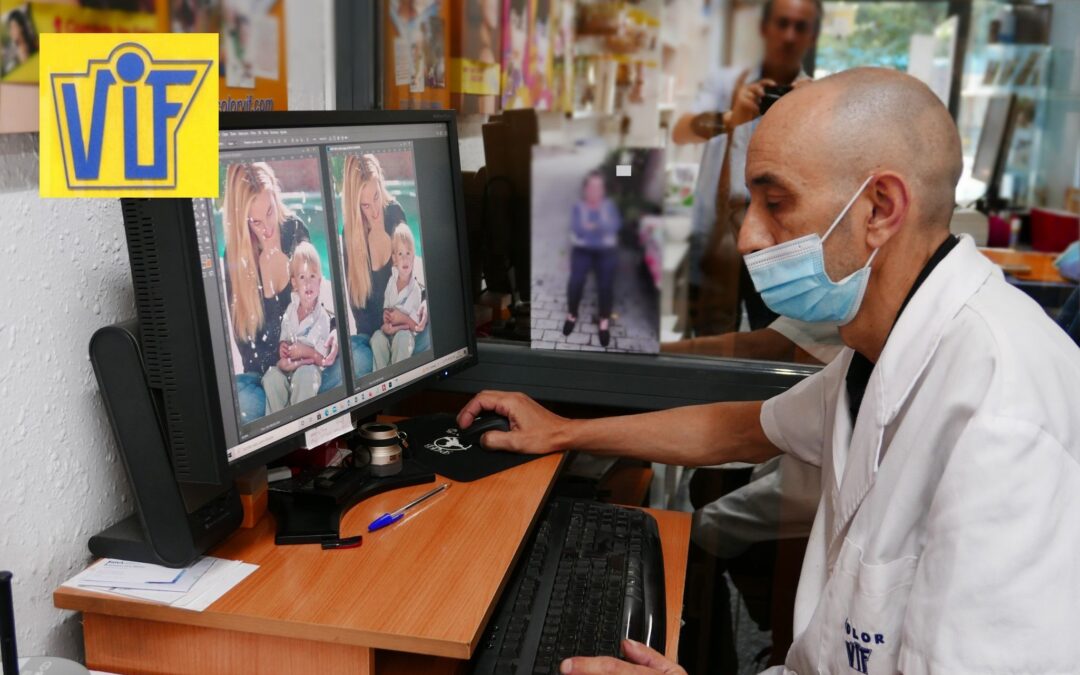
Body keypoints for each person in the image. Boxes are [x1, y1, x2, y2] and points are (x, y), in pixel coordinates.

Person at [458, 69, 1080, 674]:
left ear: (880, 208)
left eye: (776, 202)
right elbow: (741, 429)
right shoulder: (879, 353)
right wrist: (563, 432)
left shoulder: (1004, 415)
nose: (749, 237)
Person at [673, 0, 820, 337]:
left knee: (771, 339)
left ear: (812, 37)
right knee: (710, 341)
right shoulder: (725, 83)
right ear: (764, 28)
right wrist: (729, 118)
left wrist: (811, 115)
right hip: (715, 238)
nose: (789, 36)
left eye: (800, 27)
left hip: (777, 245)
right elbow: (680, 132)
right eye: (782, 23)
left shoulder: (816, 97)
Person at [222, 162, 339, 424]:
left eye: (270, 212)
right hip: (266, 377)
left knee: (350, 363)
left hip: (309, 363)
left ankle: (288, 420)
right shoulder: (235, 259)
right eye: (256, 222)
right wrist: (281, 359)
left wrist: (330, 337)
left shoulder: (294, 232)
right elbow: (248, 352)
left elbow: (320, 307)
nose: (267, 229)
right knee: (240, 399)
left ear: (276, 197)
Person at [340, 153, 428, 378]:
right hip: (372, 335)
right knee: (355, 358)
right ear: (356, 206)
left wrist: (411, 315)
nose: (375, 211)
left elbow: (412, 280)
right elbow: (360, 315)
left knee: (430, 332)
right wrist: (387, 326)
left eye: (376, 197)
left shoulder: (394, 213)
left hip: (404, 324)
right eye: (365, 205)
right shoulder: (350, 235)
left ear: (380, 184)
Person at [262, 242, 333, 413]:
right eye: (302, 277)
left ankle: (300, 419)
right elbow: (284, 338)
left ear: (320, 281)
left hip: (308, 369)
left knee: (305, 376)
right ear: (294, 283)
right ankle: (279, 421)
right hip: (288, 367)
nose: (308, 283)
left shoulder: (322, 317)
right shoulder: (291, 309)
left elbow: (322, 357)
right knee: (271, 377)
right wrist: (283, 347)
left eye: (312, 276)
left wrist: (304, 351)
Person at [563, 171, 622, 348]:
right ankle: (572, 314)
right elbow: (576, 229)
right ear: (585, 189)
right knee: (575, 282)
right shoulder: (578, 207)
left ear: (603, 190)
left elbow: (615, 226)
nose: (595, 190)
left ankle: (604, 320)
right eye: (591, 186)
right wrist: (600, 227)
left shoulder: (609, 206)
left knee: (605, 285)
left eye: (598, 187)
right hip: (582, 250)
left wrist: (593, 226)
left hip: (605, 251)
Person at [372, 223, 424, 368]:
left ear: (413, 257)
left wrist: (402, 318)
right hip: (389, 332)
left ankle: (398, 372)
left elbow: (415, 326)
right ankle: (382, 374)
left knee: (403, 338)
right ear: (394, 258)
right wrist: (386, 318)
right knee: (376, 338)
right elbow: (386, 309)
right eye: (400, 254)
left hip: (403, 334)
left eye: (408, 253)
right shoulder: (391, 282)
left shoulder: (415, 289)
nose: (405, 259)